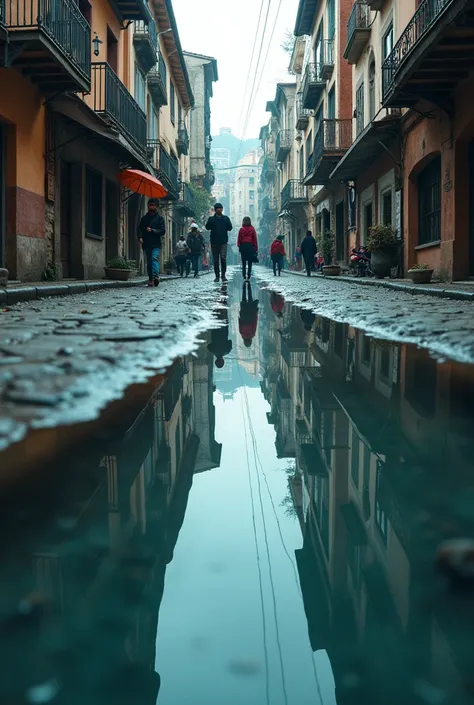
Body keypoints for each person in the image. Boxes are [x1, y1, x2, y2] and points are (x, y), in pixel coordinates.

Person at [138, 198, 166, 287]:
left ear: (156, 207)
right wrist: (140, 237)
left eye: (153, 205)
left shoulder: (160, 219)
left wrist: (153, 230)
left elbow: (162, 231)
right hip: (146, 243)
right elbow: (139, 229)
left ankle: (155, 277)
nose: (151, 207)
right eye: (150, 205)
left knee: (154, 258)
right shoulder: (144, 219)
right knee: (149, 262)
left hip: (156, 243)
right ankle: (150, 279)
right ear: (148, 206)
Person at [206, 203, 233, 283]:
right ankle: (217, 276)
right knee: (216, 260)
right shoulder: (211, 219)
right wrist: (211, 222)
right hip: (214, 242)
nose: (220, 210)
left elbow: (230, 228)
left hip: (223, 242)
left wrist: (226, 225)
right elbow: (207, 227)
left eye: (221, 208)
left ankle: (223, 276)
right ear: (215, 209)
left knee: (223, 259)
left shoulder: (225, 218)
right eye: (218, 208)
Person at [237, 216, 258, 282]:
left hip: (243, 246)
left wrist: (239, 245)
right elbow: (254, 238)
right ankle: (248, 275)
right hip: (250, 246)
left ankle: (244, 275)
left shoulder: (241, 229)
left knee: (243, 261)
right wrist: (255, 247)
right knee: (249, 262)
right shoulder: (252, 229)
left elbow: (239, 238)